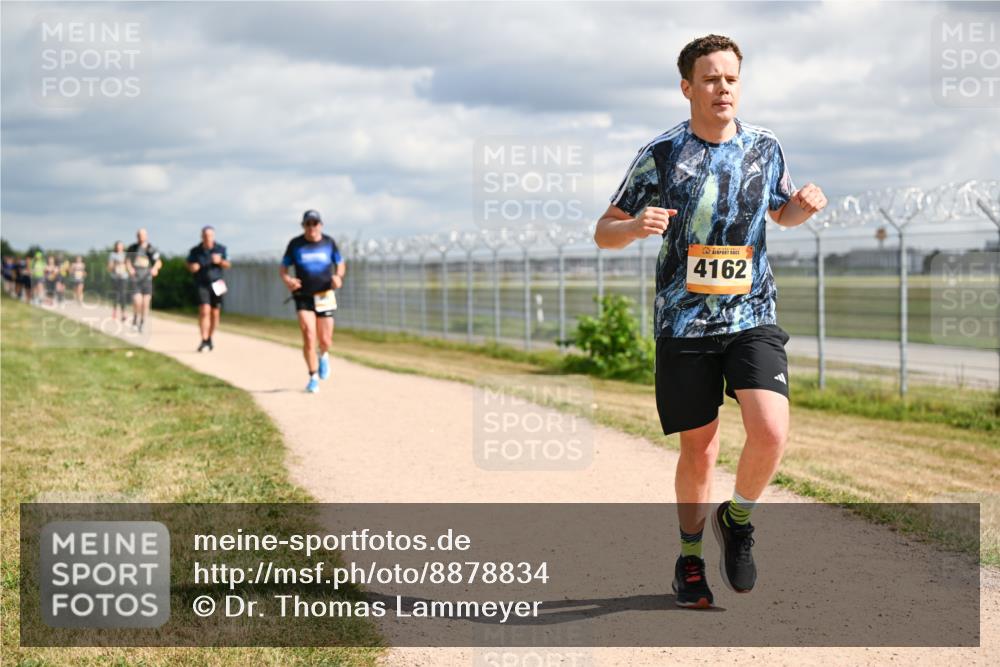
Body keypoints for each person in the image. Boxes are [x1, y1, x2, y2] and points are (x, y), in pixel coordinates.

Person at [594, 34, 826, 609]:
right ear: (687, 87)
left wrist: (803, 205)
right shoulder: (663, 153)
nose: (722, 88)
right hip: (684, 321)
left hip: (751, 312)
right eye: (710, 79)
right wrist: (633, 227)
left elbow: (781, 212)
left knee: (771, 428)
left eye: (731, 78)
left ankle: (739, 517)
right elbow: (604, 230)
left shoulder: (764, 147)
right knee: (699, 449)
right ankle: (690, 560)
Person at [279, 210, 346, 393]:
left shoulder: (329, 242)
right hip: (303, 295)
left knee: (325, 339)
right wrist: (288, 280)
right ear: (303, 226)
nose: (311, 227)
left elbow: (340, 263)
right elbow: (283, 268)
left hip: (324, 294)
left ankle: (323, 354)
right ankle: (312, 376)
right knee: (309, 334)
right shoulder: (296, 244)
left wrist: (338, 277)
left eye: (315, 223)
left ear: (321, 225)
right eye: (308, 224)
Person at [186, 226, 231, 352]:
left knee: (215, 313)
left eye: (210, 235)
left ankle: (210, 338)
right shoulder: (196, 251)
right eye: (205, 235)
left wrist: (220, 261)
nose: (207, 238)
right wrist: (192, 267)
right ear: (202, 236)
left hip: (218, 283)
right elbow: (188, 264)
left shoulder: (221, 249)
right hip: (202, 283)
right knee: (204, 310)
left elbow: (228, 264)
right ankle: (204, 339)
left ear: (213, 236)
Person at [125, 228, 162, 333]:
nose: (140, 237)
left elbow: (158, 262)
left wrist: (155, 269)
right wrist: (130, 269)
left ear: (146, 236)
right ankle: (135, 318)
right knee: (137, 301)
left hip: (147, 279)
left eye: (142, 235)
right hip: (136, 279)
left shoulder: (151, 249)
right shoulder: (133, 248)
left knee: (145, 303)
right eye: (139, 235)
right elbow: (127, 261)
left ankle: (142, 322)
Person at [107, 241, 130, 321]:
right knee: (116, 294)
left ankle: (124, 313)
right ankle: (114, 312)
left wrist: (130, 270)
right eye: (118, 246)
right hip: (115, 277)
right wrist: (116, 264)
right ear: (115, 247)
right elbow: (109, 267)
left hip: (124, 277)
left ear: (123, 247)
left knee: (123, 294)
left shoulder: (125, 255)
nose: (119, 247)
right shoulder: (112, 255)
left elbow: (128, 265)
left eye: (120, 246)